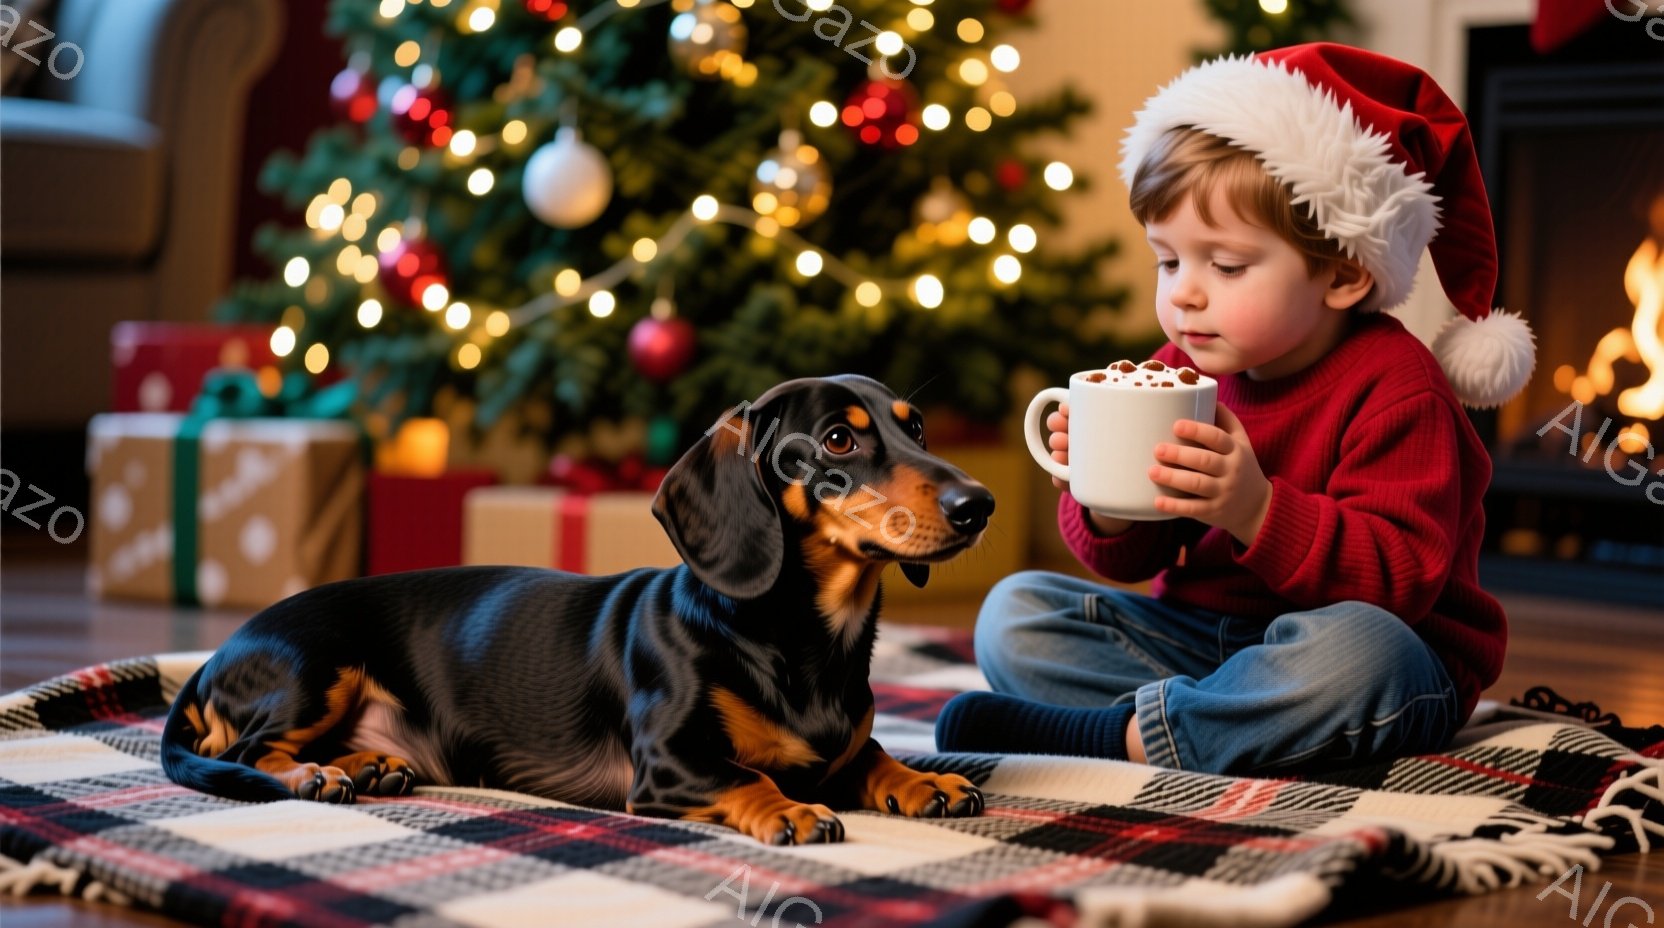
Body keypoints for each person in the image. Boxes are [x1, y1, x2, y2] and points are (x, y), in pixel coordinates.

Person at [933, 43, 1537, 774]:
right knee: (1015, 613)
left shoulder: (1399, 387)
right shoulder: (1178, 368)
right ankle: (1212, 723)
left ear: (1343, 274)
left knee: (1361, 657)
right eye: (1167, 260)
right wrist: (1105, 501)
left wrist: (1253, 508)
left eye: (1225, 266)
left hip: (1376, 652)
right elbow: (1127, 560)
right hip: (1195, 634)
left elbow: (1399, 582)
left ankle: (1117, 737)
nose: (1185, 292)